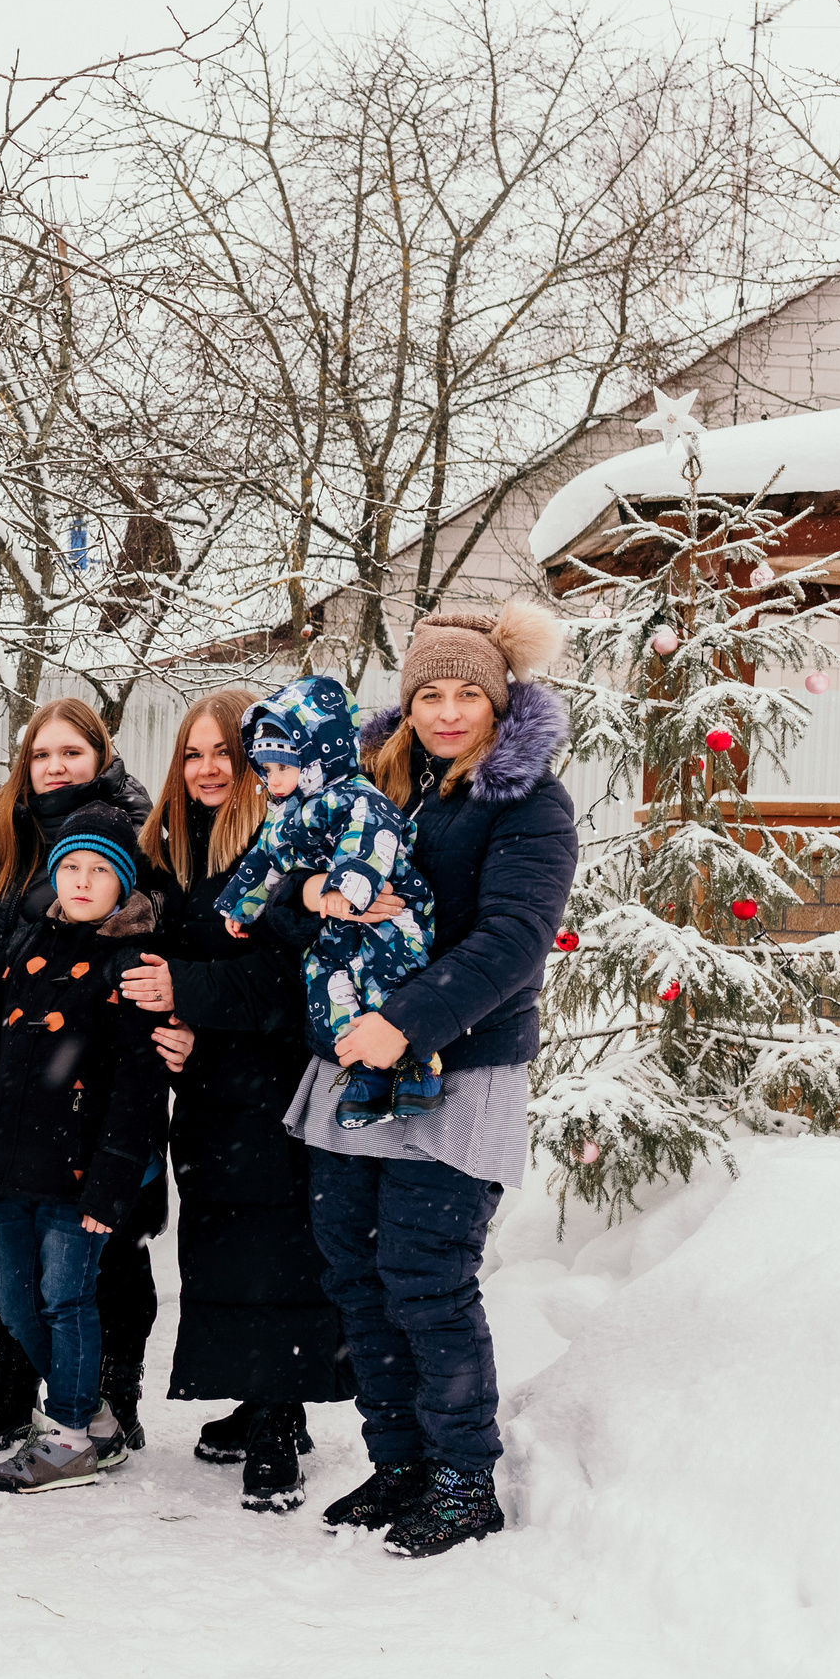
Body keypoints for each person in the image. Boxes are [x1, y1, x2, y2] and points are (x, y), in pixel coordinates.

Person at [287, 602, 577, 1558]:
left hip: (457, 1066)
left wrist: (403, 1023)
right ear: (406, 704)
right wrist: (310, 891)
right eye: (429, 693)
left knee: (424, 1277)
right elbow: (315, 888)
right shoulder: (378, 790)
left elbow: (513, 941)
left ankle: (463, 1479)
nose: (448, 711)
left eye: (468, 693)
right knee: (356, 1271)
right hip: (352, 1065)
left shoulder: (529, 804)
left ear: (499, 701)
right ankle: (400, 1459)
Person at [118, 691, 352, 1514]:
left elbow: (287, 979)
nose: (210, 767)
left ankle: (278, 1423)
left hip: (278, 1081)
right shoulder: (179, 855)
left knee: (275, 1245)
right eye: (194, 753)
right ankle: (258, 1394)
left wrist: (185, 990)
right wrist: (179, 1027)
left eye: (228, 752)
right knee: (221, 1240)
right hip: (214, 1086)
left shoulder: (285, 850)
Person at [0, 696, 159, 1456]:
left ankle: (74, 1423)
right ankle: (86, 1406)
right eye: (68, 866)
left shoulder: (127, 957)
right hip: (18, 1159)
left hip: (82, 1162)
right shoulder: (26, 936)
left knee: (72, 1295)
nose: (78, 879)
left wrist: (114, 1181)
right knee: (16, 1291)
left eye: (96, 871)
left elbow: (139, 1087)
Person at [217, 676, 441, 1128]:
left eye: (285, 766)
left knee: (384, 984)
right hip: (332, 929)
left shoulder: (357, 798)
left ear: (319, 756)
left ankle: (418, 1072)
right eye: (267, 769)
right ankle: (366, 1074)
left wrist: (343, 886)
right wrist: (240, 906)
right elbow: (265, 862)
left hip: (389, 918)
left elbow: (368, 841)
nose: (274, 780)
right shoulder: (283, 815)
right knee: (326, 987)